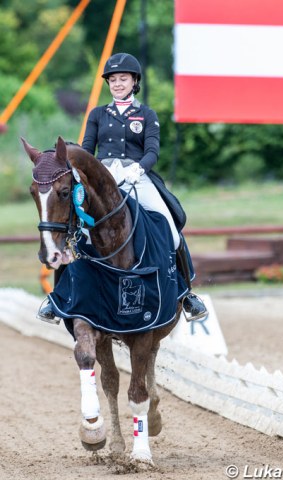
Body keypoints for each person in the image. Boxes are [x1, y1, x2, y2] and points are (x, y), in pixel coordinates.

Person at [38, 52, 207, 323]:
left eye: (123, 79)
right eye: (113, 79)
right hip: (102, 177)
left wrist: (137, 170)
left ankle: (186, 294)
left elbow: (152, 151)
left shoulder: (146, 114)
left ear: (134, 81)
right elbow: (86, 149)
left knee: (171, 227)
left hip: (138, 175)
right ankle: (57, 297)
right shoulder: (97, 114)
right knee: (74, 233)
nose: (117, 84)